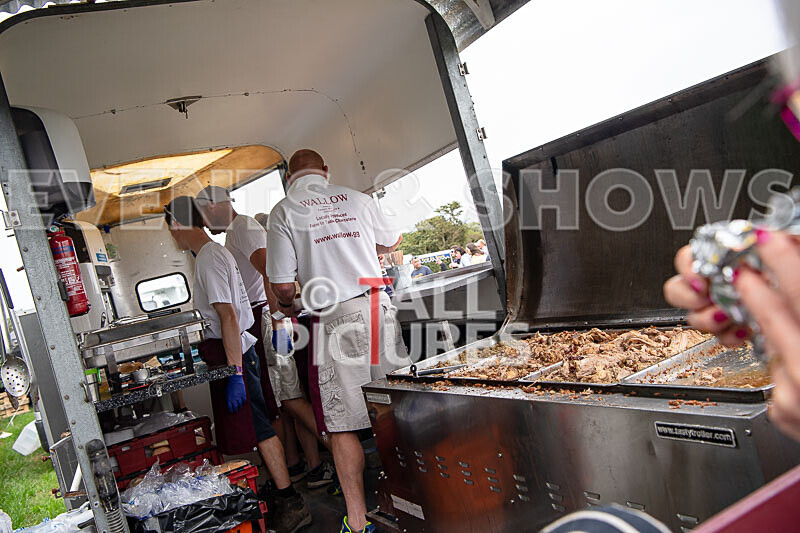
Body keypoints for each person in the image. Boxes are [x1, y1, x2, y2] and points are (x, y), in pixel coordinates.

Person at [266, 149, 412, 533]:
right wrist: (361, 247)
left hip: (333, 316)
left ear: (289, 179)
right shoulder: (359, 199)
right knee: (396, 407)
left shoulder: (285, 210)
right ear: (326, 172)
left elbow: (282, 286)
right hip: (378, 306)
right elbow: (393, 241)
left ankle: (360, 522)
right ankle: (417, 500)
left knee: (343, 426)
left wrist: (289, 300)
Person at [163, 196, 311, 533]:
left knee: (258, 426)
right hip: (235, 353)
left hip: (234, 354)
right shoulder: (212, 254)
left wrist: (234, 374)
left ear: (175, 224)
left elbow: (228, 317)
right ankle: (278, 491)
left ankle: (289, 499)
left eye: (169, 227)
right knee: (258, 424)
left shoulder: (210, 258)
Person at [195, 186, 335, 489]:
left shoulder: (243, 227)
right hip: (265, 319)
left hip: (269, 319)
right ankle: (302, 465)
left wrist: (280, 321)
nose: (204, 223)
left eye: (204, 213)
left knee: (290, 396)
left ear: (217, 206)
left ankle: (338, 453)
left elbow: (271, 272)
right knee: (281, 401)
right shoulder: (235, 232)